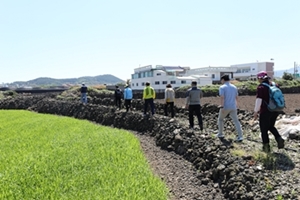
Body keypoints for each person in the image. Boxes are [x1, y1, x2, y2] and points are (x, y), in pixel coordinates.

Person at [253, 71, 284, 152]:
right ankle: (279, 138)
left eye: (258, 78)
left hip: (266, 111)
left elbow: (259, 100)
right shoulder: (275, 85)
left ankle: (266, 148)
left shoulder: (261, 87)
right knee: (271, 126)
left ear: (260, 78)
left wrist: (256, 112)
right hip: (276, 110)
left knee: (264, 130)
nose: (258, 80)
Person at [216, 75, 243, 142]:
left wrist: (222, 107)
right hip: (233, 106)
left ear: (223, 80)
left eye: (221, 80)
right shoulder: (234, 87)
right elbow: (236, 97)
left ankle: (220, 134)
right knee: (236, 121)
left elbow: (222, 97)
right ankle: (240, 136)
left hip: (225, 107)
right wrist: (236, 105)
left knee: (220, 119)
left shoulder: (222, 87)